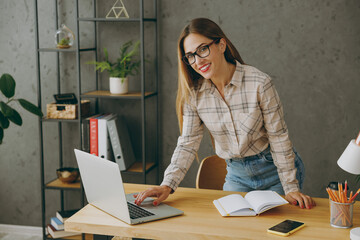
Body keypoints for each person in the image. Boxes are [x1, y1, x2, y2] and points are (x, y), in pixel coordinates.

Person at [135, 18, 316, 209]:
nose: (198, 61)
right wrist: (167, 185)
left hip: (274, 173)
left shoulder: (260, 83)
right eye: (190, 56)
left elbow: (278, 137)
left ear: (221, 45)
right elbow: (188, 143)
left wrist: (290, 186)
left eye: (202, 49)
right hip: (237, 176)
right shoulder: (194, 94)